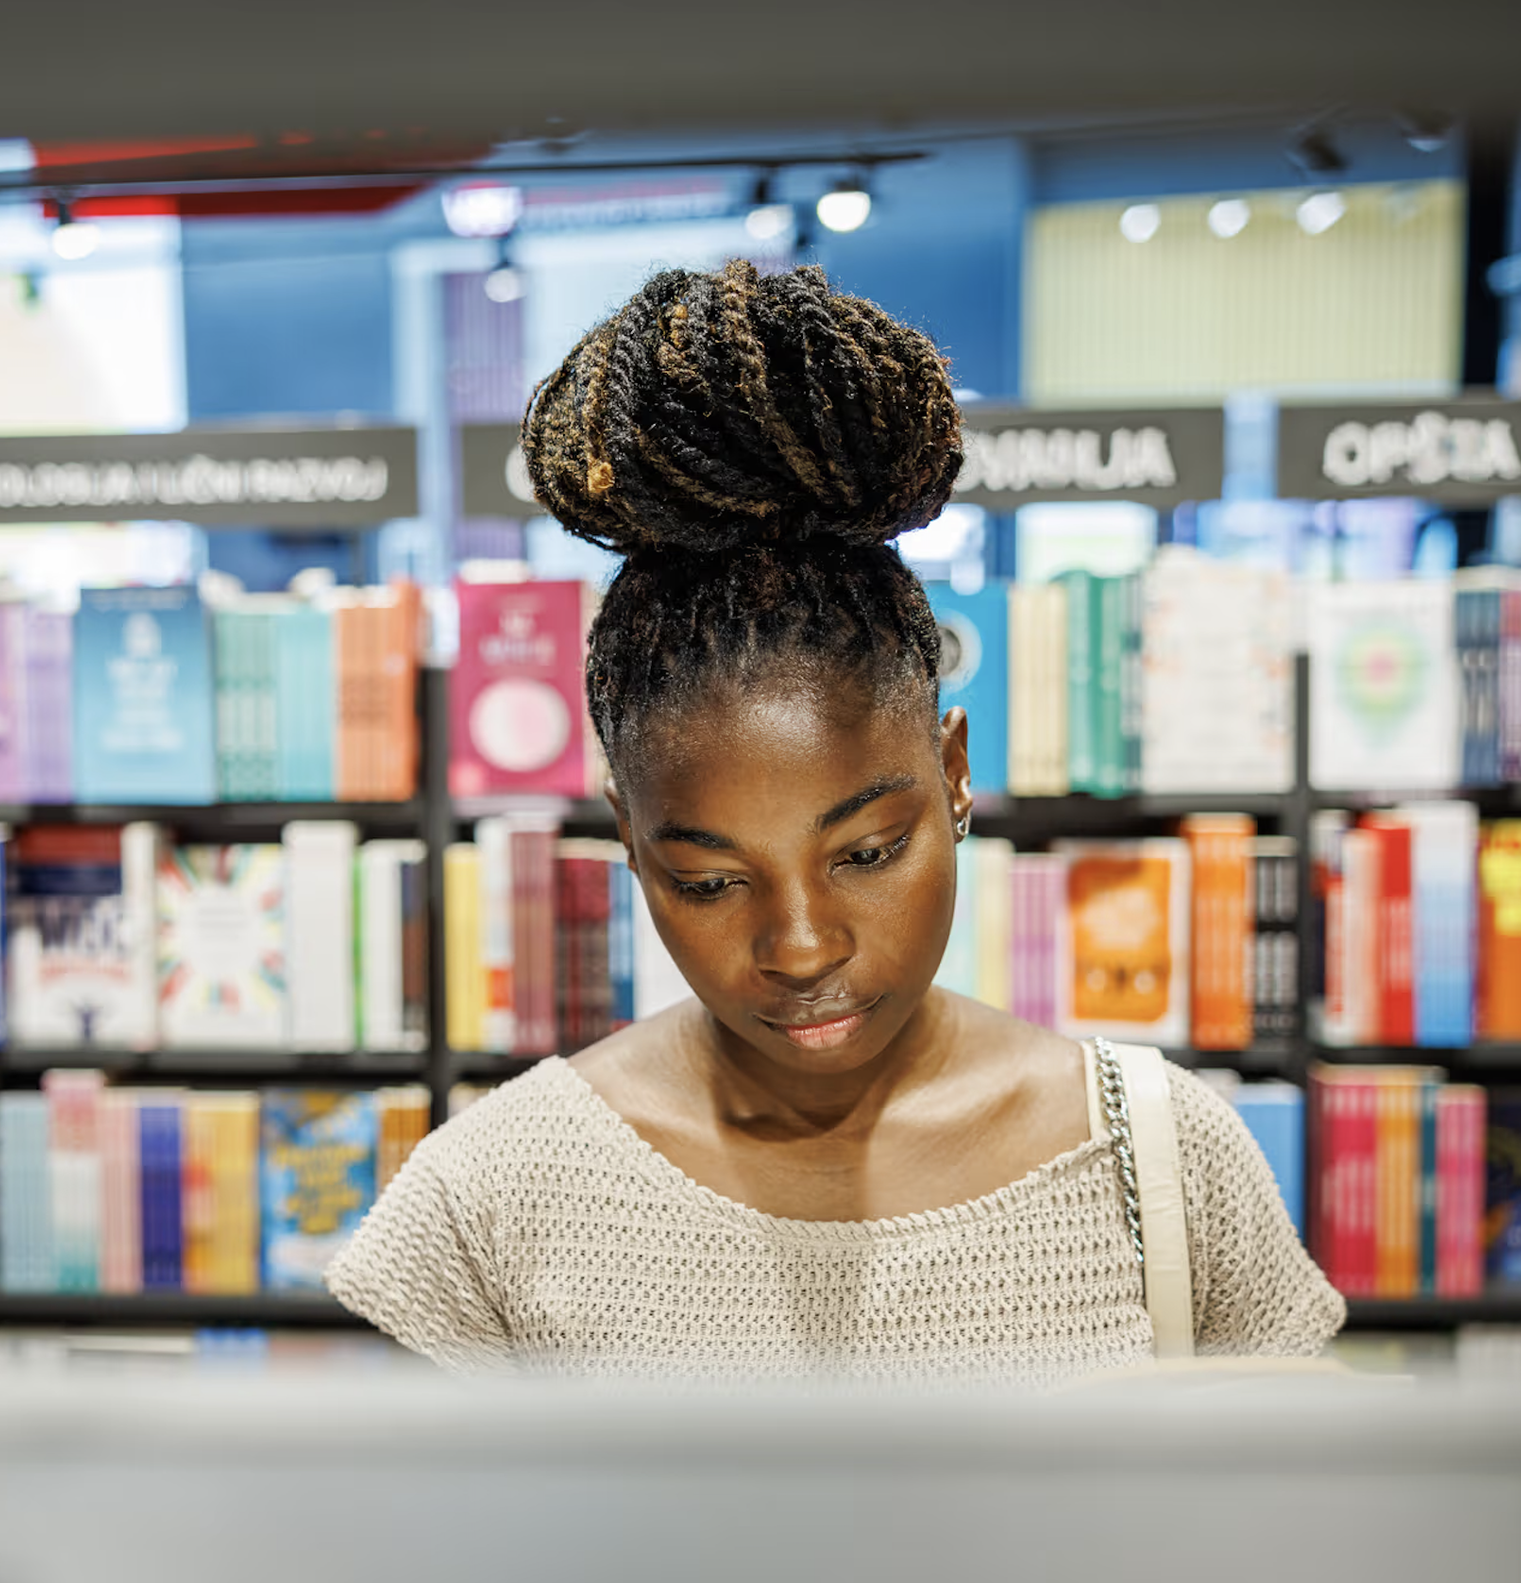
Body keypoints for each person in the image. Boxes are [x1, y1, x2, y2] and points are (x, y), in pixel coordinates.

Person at [326, 259, 1343, 1384]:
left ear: (955, 774)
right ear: (626, 836)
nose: (802, 946)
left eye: (865, 854)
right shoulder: (484, 1206)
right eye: (710, 882)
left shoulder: (1159, 1160)